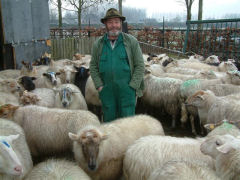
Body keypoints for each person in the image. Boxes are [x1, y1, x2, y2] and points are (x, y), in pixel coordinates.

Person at [90, 8, 144, 122]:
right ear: (105, 24)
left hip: (127, 91)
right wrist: (99, 86)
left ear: (120, 23)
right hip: (107, 91)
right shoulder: (98, 44)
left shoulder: (131, 42)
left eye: (116, 22)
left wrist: (133, 87)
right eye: (110, 22)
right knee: (109, 125)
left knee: (127, 124)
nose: (113, 25)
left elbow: (140, 65)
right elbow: (93, 67)